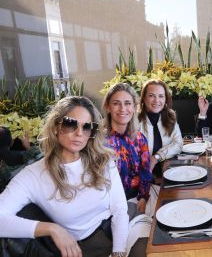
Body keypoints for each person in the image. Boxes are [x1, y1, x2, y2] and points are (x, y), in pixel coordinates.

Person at [0, 96, 129, 257]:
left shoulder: (102, 161)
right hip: (81, 250)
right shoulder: (33, 175)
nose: (79, 133)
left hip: (120, 234)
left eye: (87, 127)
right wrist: (52, 229)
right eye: (70, 123)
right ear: (55, 127)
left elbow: (120, 210)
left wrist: (119, 251)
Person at [103, 83, 152, 215]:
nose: (122, 108)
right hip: (111, 207)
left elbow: (145, 172)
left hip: (138, 199)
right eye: (116, 103)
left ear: (134, 107)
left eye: (128, 103)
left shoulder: (140, 138)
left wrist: (143, 197)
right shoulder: (100, 143)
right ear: (108, 107)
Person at [138, 79, 183, 177]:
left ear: (166, 99)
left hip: (168, 172)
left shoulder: (170, 116)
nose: (157, 100)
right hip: (142, 175)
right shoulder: (135, 120)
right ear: (144, 98)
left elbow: (178, 144)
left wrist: (156, 157)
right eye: (151, 96)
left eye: (161, 96)